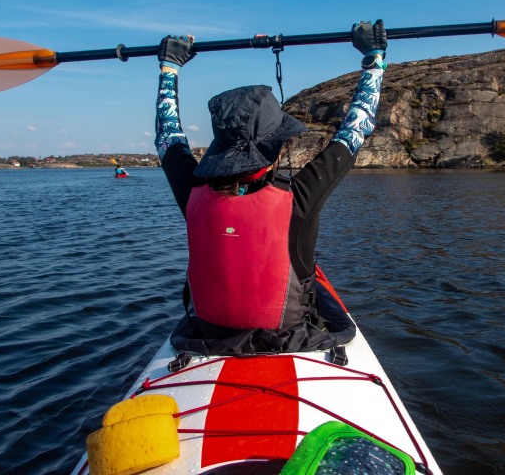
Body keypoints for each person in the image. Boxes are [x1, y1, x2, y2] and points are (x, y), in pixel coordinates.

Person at [154, 20, 387, 354]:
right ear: (275, 147)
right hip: (289, 337)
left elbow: (167, 136)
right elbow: (355, 130)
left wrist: (169, 66)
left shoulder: (192, 189)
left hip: (206, 334)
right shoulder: (299, 198)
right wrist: (373, 58)